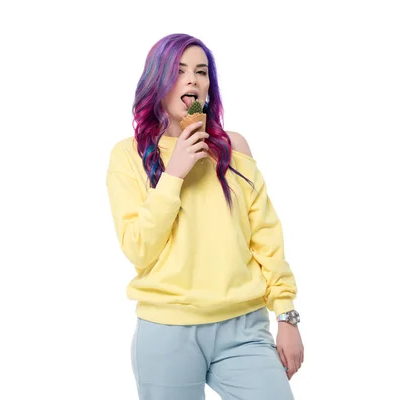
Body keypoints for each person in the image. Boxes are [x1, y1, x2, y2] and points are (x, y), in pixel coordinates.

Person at [105, 33, 304, 400]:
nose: (193, 80)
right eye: (179, 71)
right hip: (168, 329)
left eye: (201, 71)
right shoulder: (128, 155)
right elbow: (138, 249)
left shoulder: (234, 147)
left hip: (244, 328)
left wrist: (286, 315)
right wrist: (174, 174)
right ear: (158, 81)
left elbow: (266, 235)